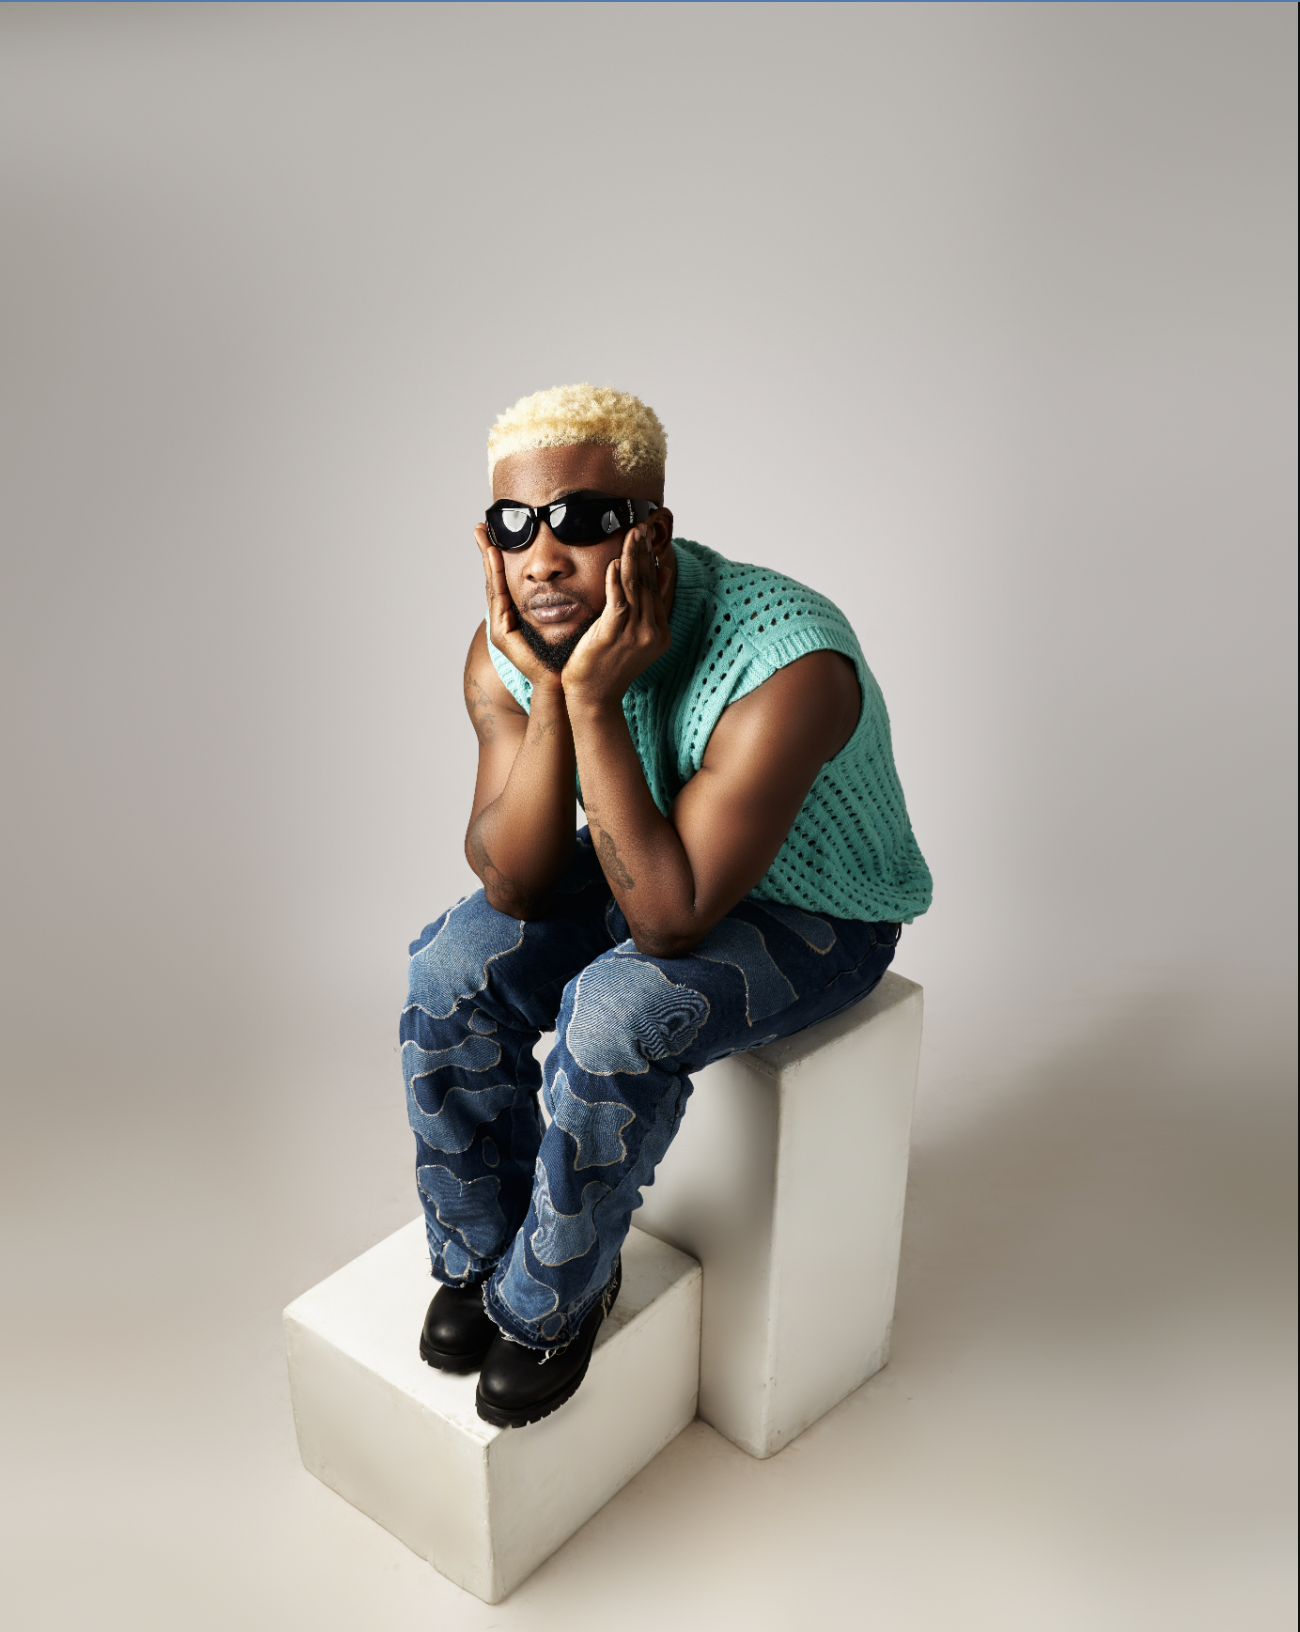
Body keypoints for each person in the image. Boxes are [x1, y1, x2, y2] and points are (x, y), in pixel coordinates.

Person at [401, 384, 931, 1428]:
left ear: (650, 530)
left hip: (815, 909)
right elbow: (513, 881)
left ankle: (553, 1297)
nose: (543, 558)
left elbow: (670, 921)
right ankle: (476, 1253)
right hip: (642, 855)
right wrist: (554, 694)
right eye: (515, 525)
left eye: (582, 520)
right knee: (446, 970)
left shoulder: (789, 658)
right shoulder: (509, 647)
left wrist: (595, 698)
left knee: (614, 1011)